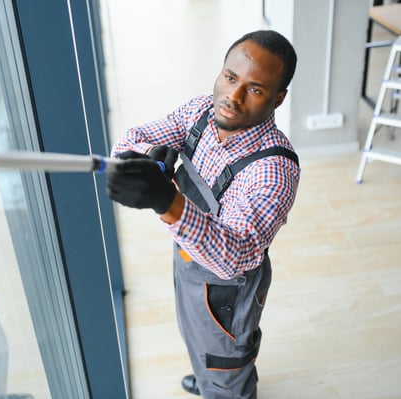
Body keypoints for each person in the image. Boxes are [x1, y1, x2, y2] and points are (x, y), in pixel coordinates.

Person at [106, 30, 300, 399]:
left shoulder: (273, 169)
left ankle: (223, 385)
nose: (233, 97)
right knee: (195, 334)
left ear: (278, 98)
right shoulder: (201, 113)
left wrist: (169, 202)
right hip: (187, 261)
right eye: (230, 77)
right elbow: (136, 135)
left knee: (228, 359)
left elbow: (235, 257)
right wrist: (145, 157)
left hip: (226, 289)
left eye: (255, 89)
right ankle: (205, 370)